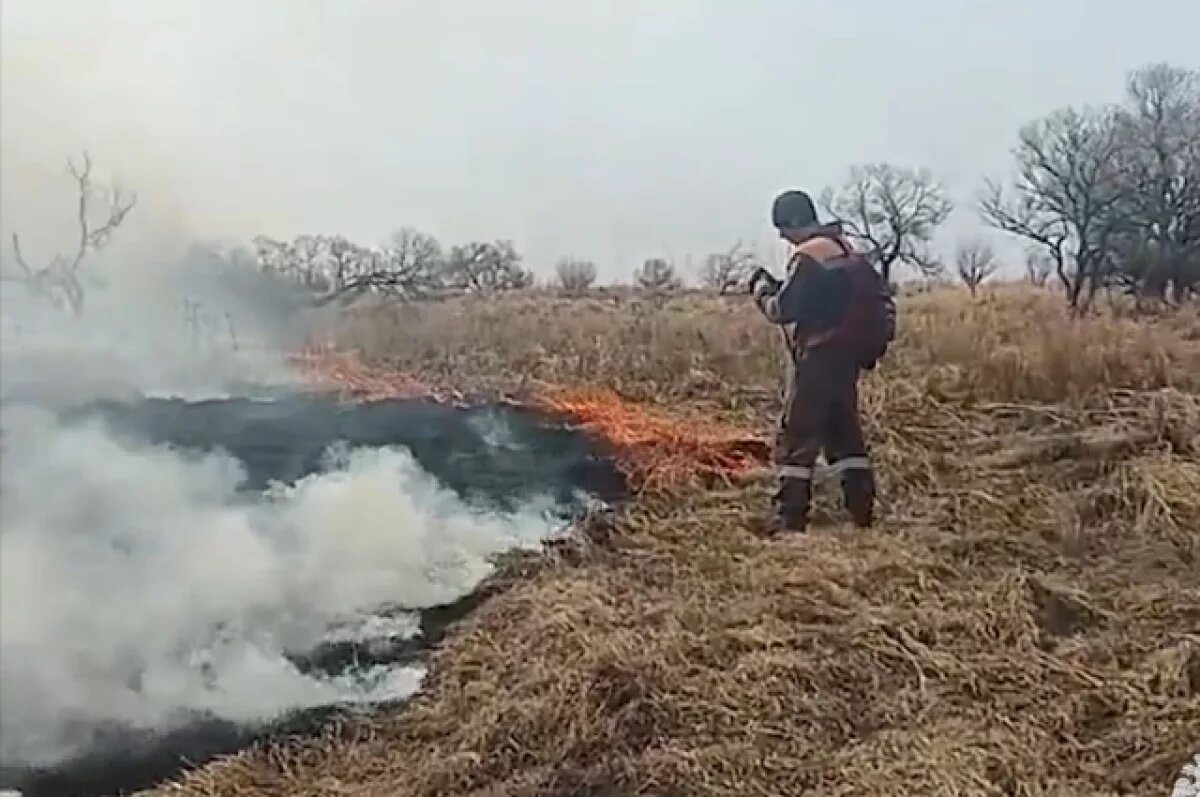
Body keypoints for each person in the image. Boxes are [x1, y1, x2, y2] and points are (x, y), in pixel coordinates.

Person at [749, 189, 895, 534]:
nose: (782, 236)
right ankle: (861, 511)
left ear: (796, 222)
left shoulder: (809, 257)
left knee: (797, 436)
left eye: (783, 228)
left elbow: (783, 310)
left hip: (817, 360)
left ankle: (789, 517)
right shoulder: (844, 250)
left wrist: (762, 291)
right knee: (844, 436)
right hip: (846, 361)